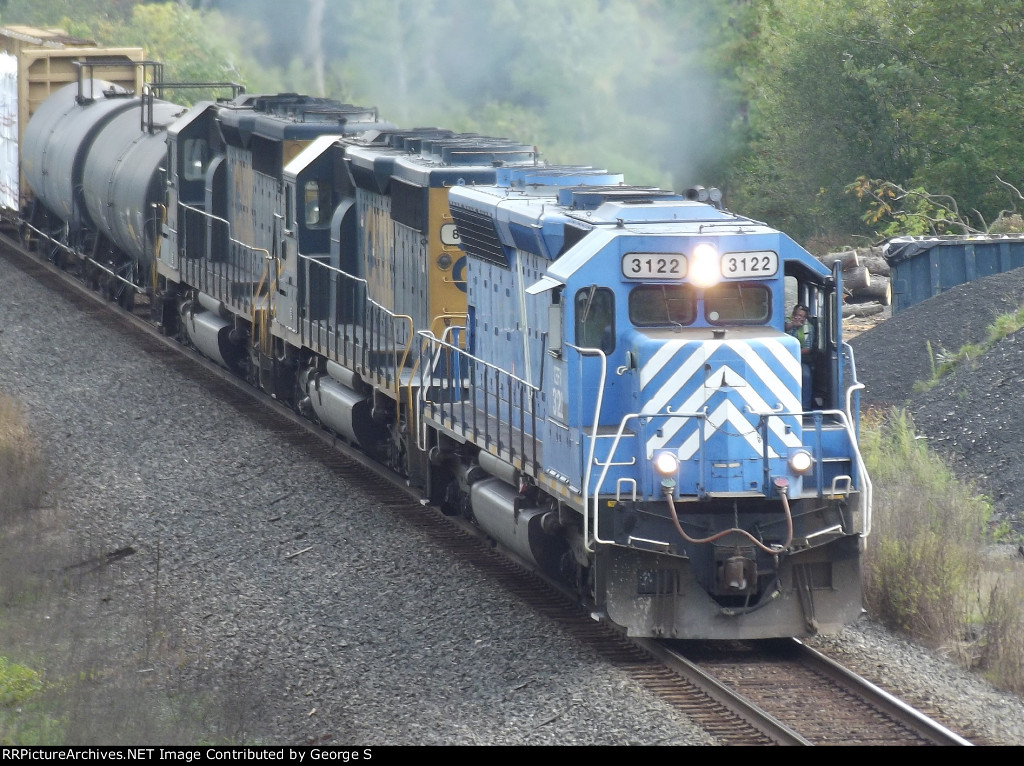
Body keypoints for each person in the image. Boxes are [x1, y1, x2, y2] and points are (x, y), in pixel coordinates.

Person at [785, 303, 814, 409]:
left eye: (801, 316)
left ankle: (805, 406)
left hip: (799, 359)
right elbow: (781, 329)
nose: (798, 317)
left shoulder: (809, 328)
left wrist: (793, 352)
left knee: (805, 375)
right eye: (796, 315)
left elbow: (807, 348)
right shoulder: (785, 322)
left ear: (805, 318)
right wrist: (792, 325)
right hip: (781, 357)